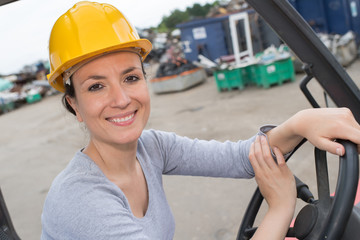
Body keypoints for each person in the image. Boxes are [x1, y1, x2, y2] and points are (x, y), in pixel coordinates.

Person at [41, 2, 360, 240]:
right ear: (75, 105)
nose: (122, 99)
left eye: (131, 77)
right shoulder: (81, 202)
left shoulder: (150, 148)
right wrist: (279, 208)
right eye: (96, 86)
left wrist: (299, 123)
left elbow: (240, 159)